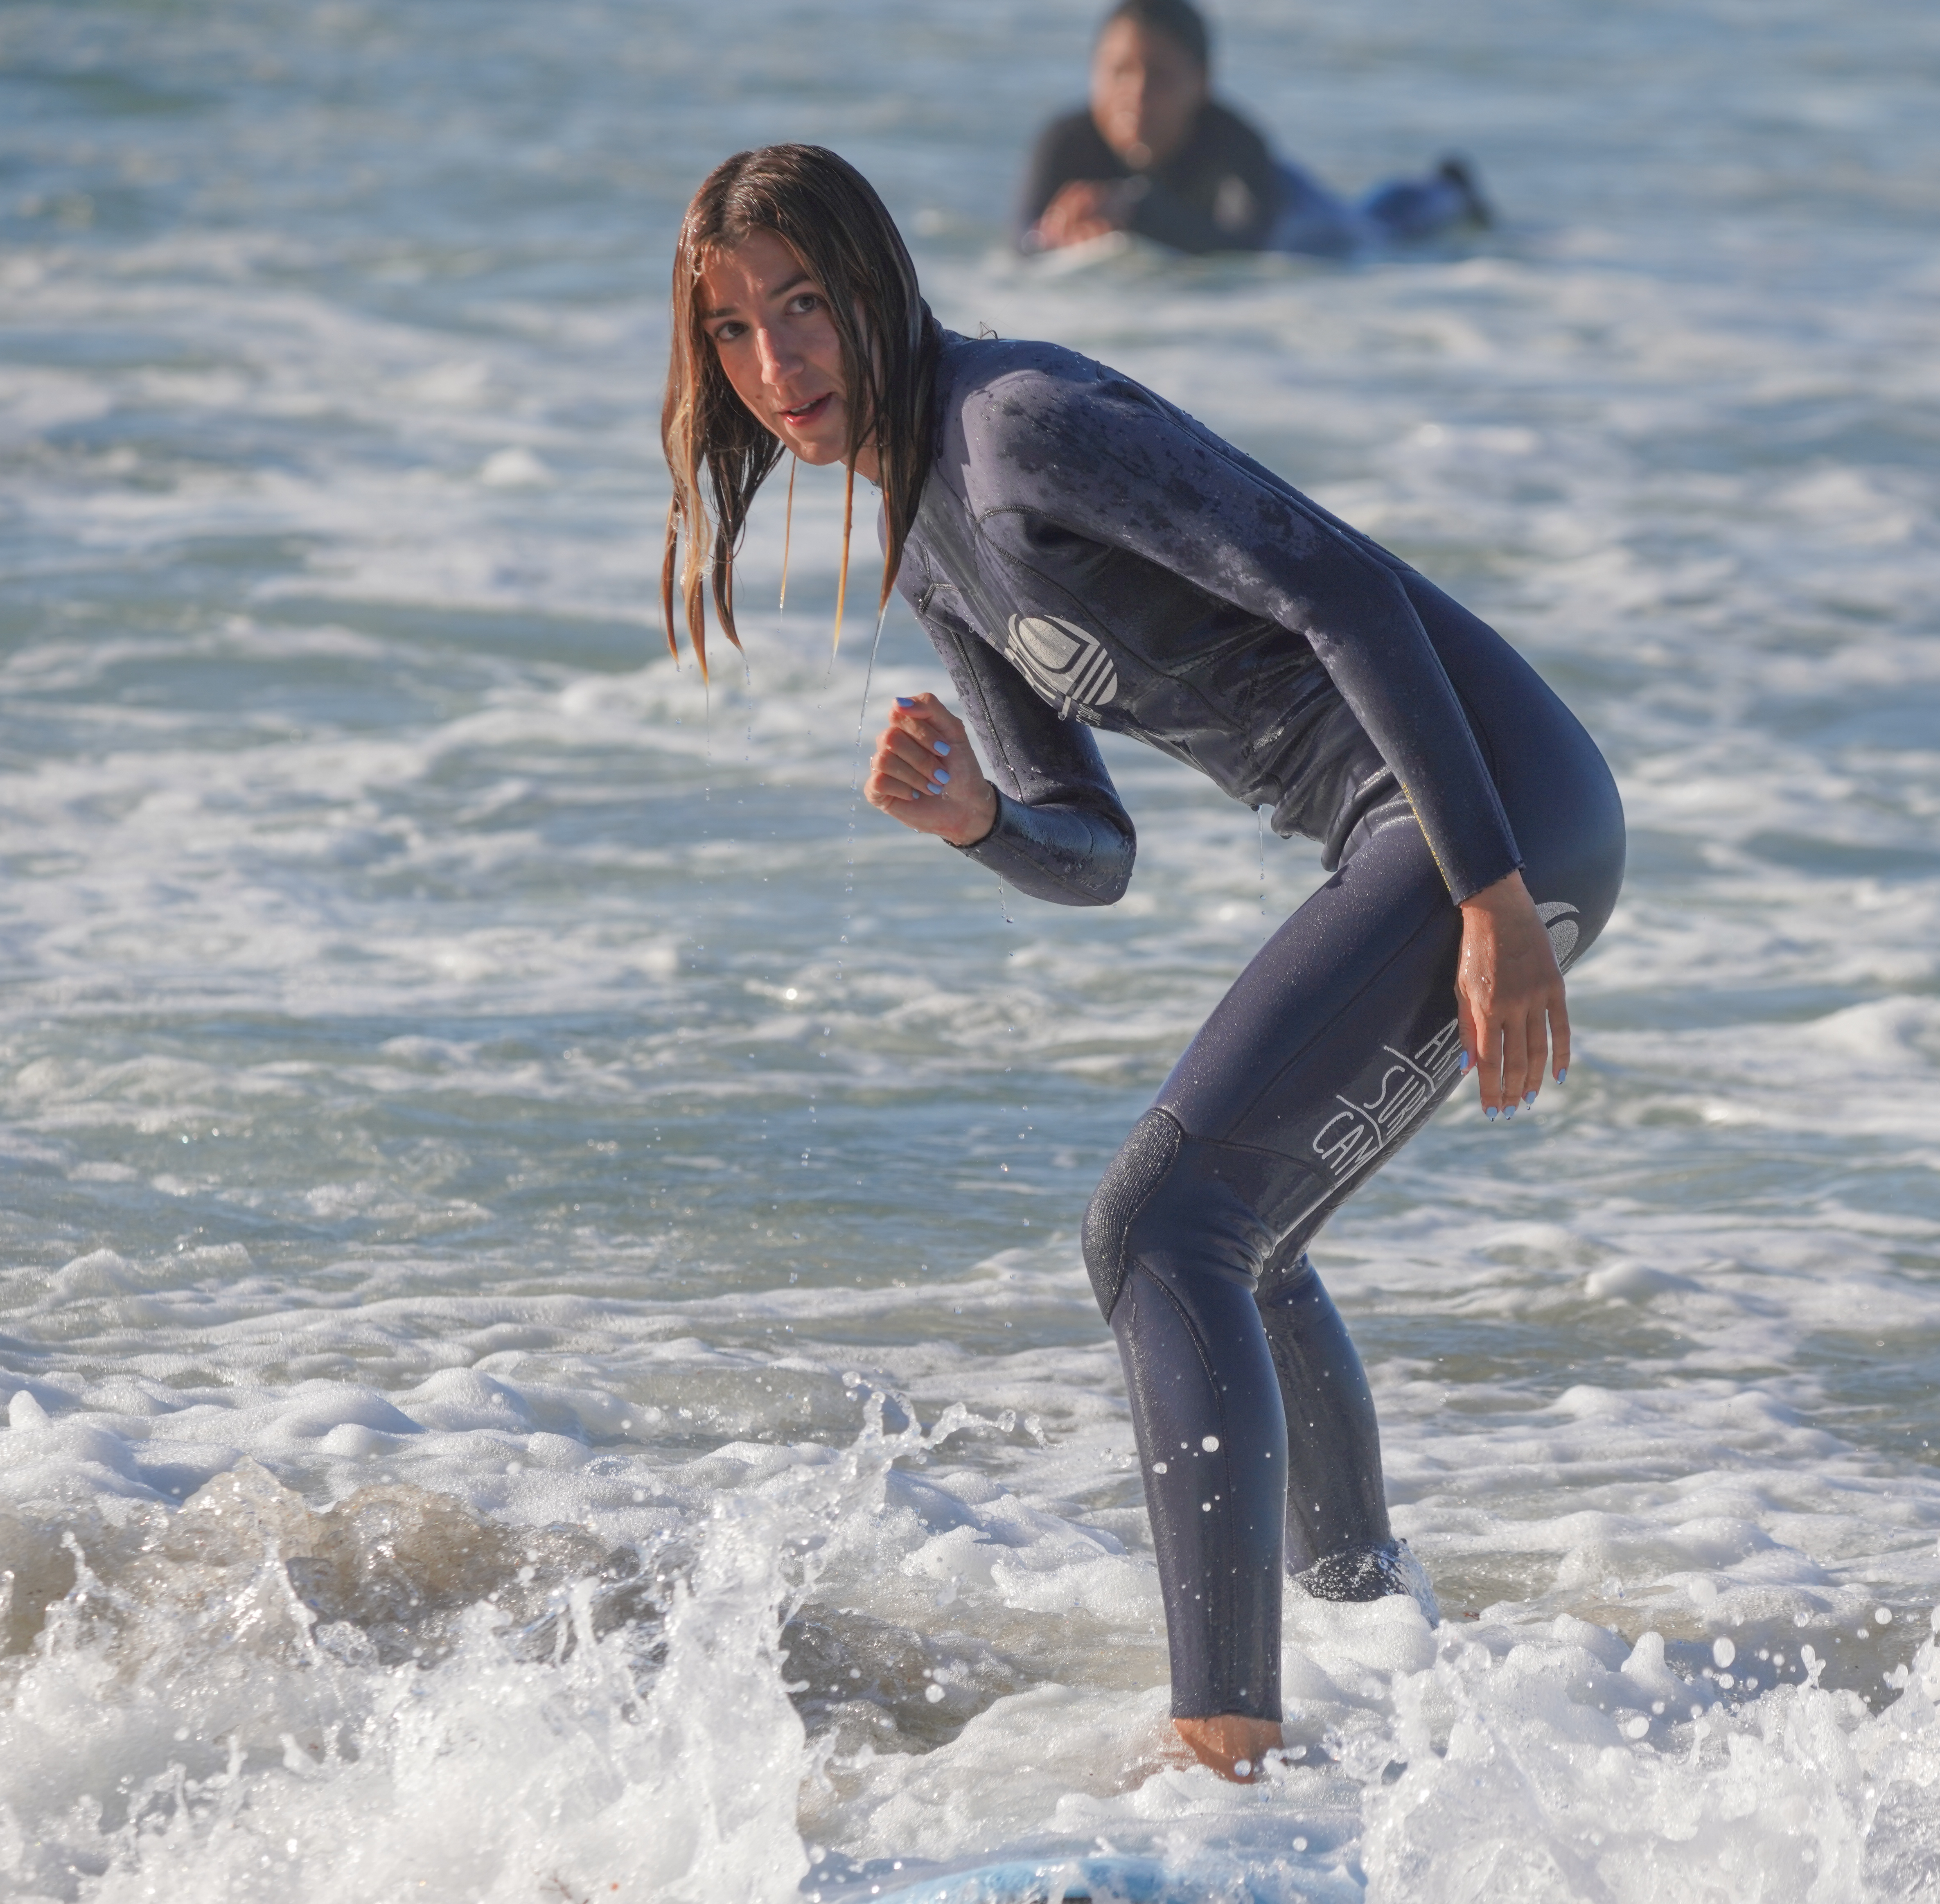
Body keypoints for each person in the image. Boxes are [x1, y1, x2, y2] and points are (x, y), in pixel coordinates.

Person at [661, 144, 1620, 1783]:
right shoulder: (931, 545)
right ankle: (1379, 1656)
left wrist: (1492, 897)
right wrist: (980, 821)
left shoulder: (1019, 421)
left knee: (1158, 1228)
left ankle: (1223, 1753)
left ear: (875, 282)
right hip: (1455, 836)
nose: (777, 362)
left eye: (803, 305)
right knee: (1238, 1243)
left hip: (1487, 819)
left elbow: (1344, 590)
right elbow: (1094, 851)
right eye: (736, 331)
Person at [1016, 0, 1487, 259]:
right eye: (1118, 72)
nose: (1135, 94)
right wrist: (1058, 230)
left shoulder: (1235, 141)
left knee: (1378, 228)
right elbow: (1021, 244)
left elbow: (1245, 249)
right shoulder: (1067, 140)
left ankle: (1449, 188)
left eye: (1159, 76)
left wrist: (1135, 210)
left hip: (1295, 207)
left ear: (1202, 81)